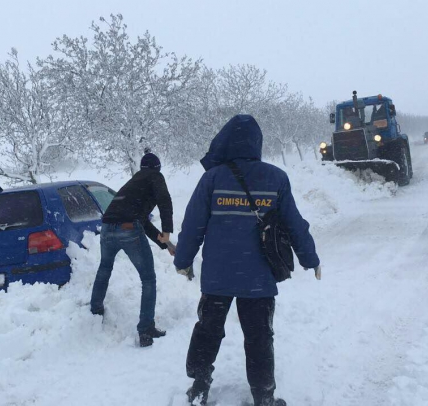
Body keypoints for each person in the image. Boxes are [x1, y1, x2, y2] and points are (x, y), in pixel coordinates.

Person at [173, 115, 321, 406]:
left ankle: (199, 386)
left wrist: (184, 259)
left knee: (208, 330)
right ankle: (263, 397)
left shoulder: (212, 178)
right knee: (259, 338)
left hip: (217, 277)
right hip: (259, 280)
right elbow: (294, 223)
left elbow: (193, 225)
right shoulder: (276, 178)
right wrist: (310, 258)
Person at [90, 152, 174, 347]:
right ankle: (146, 329)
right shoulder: (155, 176)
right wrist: (168, 231)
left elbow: (142, 219)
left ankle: (95, 312)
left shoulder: (133, 184)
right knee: (148, 278)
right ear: (157, 168)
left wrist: (165, 243)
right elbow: (164, 200)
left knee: (104, 268)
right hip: (128, 228)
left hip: (107, 228)